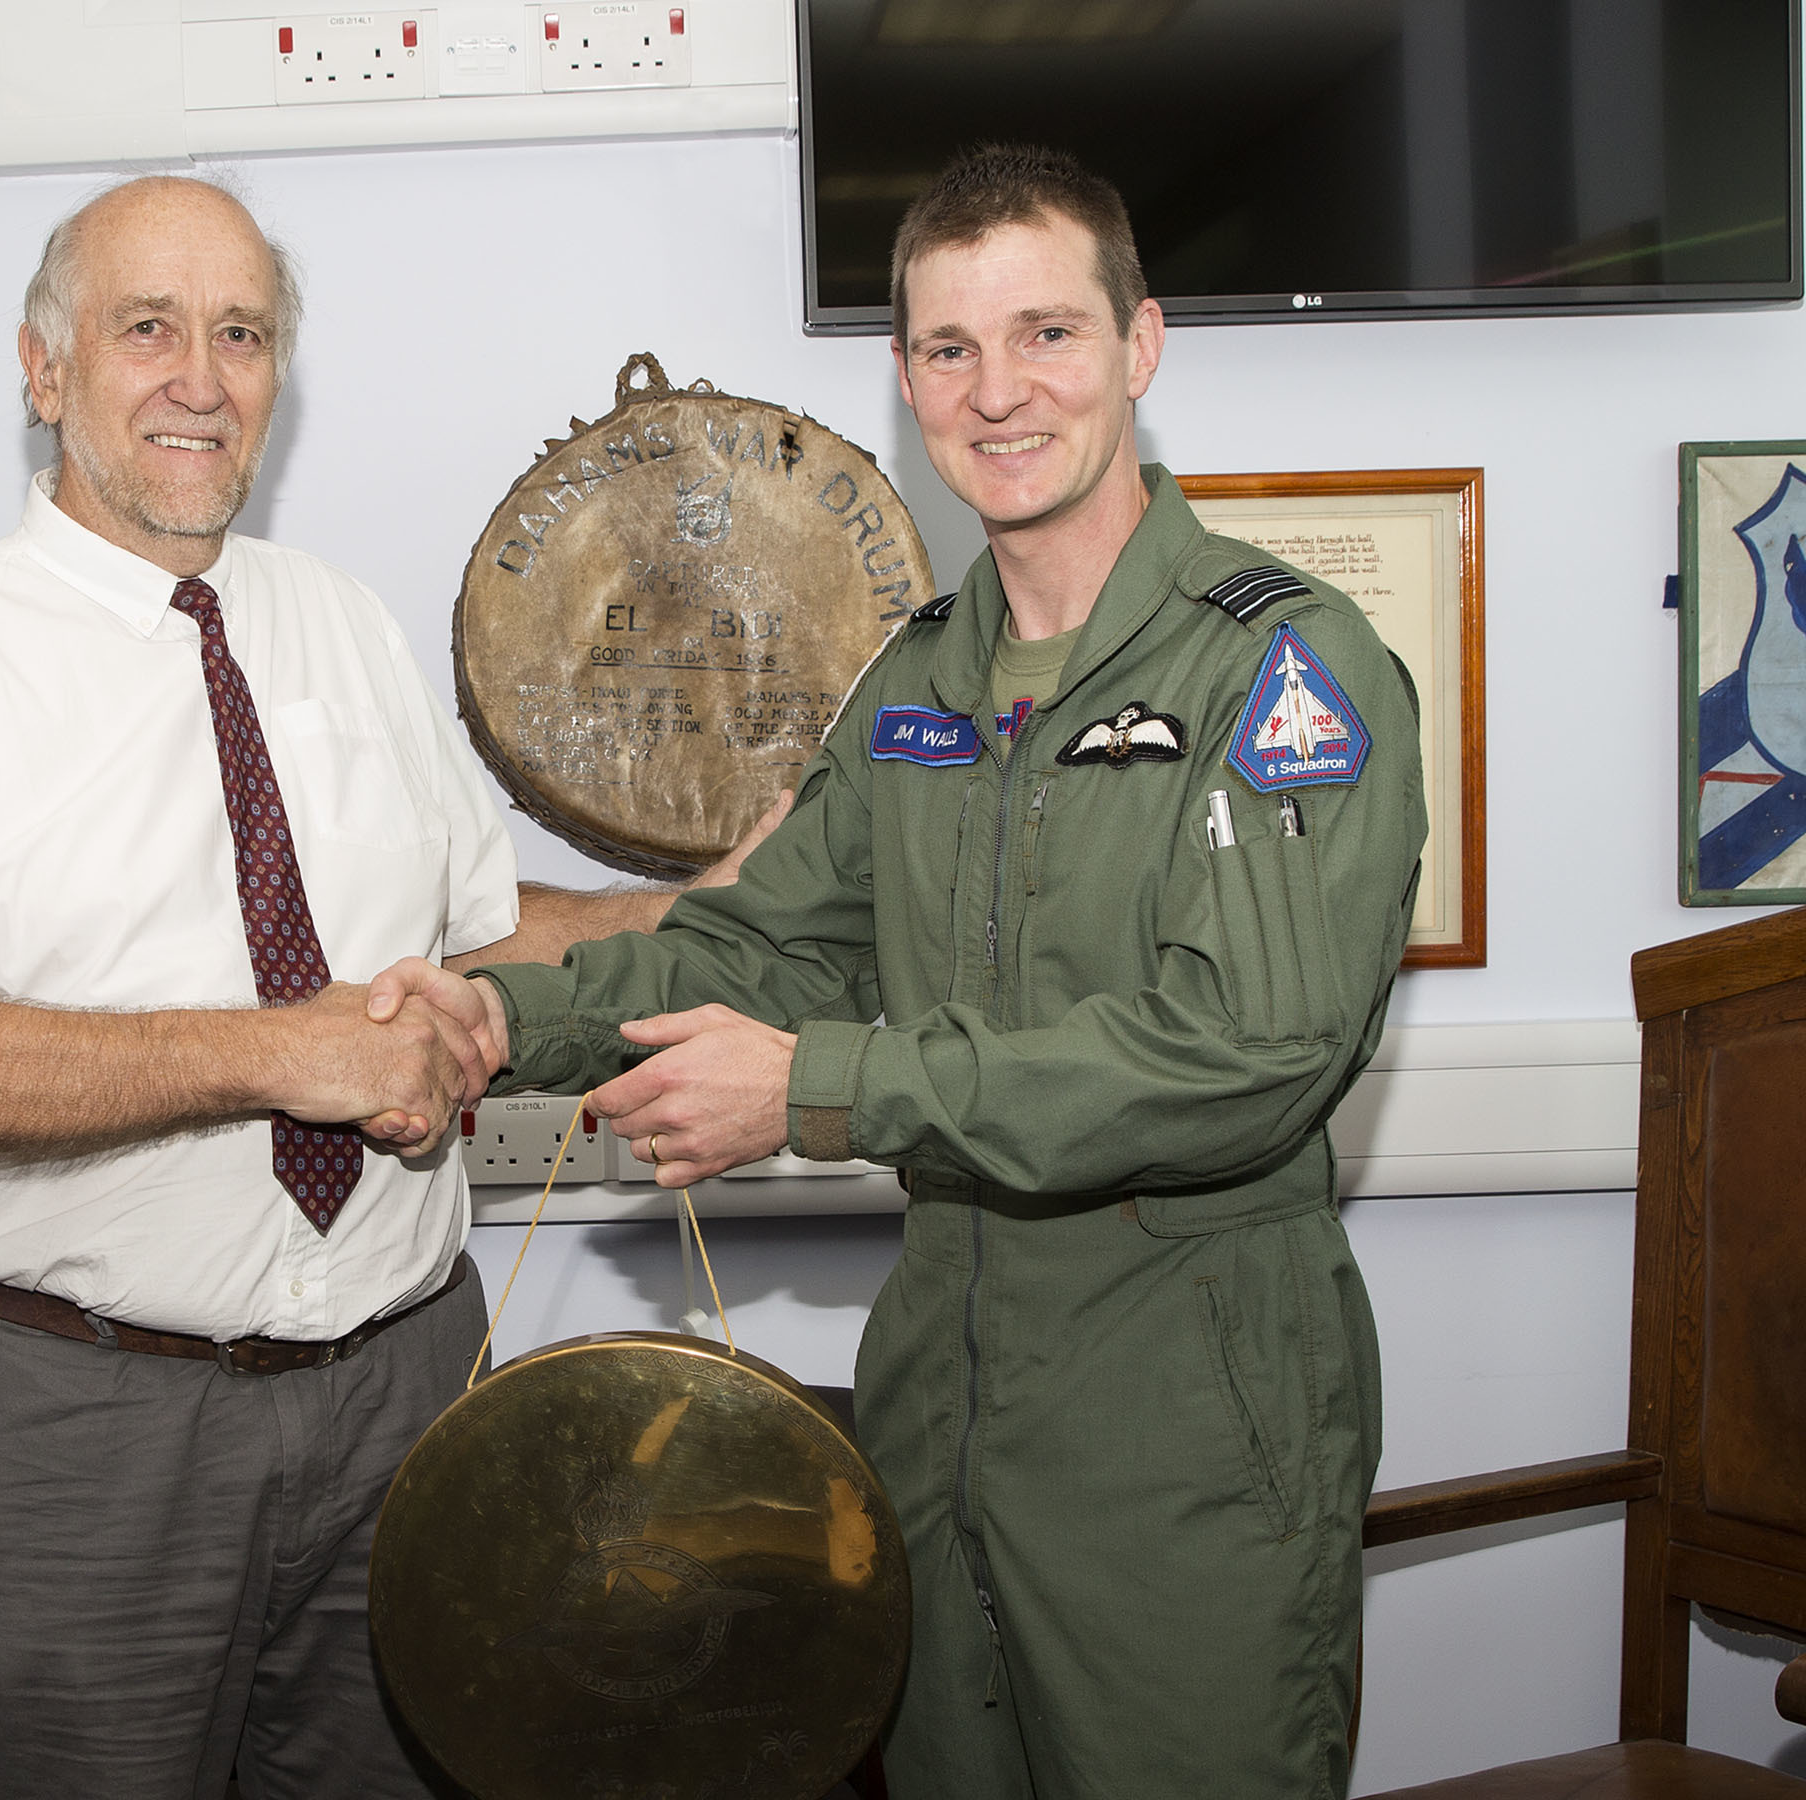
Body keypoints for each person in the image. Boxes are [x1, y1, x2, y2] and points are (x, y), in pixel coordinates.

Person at [379, 143, 1427, 1798]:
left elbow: (1246, 1053)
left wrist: (819, 1088)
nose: (997, 392)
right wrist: (509, 1019)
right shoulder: (918, 685)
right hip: (936, 1425)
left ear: (1139, 347)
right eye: (950, 349)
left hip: (1186, 1444)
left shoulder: (1283, 667)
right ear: (905, 380)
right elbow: (763, 943)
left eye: (1047, 336)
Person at [0, 174, 777, 1800]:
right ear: (43, 370)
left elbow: (481, 924)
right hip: (88, 1436)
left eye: (242, 333)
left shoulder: (343, 625)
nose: (199, 377)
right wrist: (273, 1057)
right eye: (145, 327)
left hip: (409, 1400)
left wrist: (695, 905)